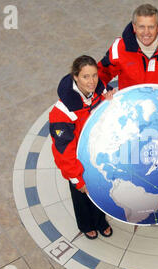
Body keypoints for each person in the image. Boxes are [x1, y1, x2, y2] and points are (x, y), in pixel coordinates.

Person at [49, 55, 113, 240]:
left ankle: (101, 222)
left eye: (94, 76)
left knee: (99, 190)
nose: (92, 81)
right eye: (86, 77)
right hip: (76, 162)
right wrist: (78, 179)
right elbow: (63, 153)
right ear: (75, 77)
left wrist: (110, 100)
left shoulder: (101, 92)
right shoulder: (61, 112)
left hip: (97, 156)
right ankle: (86, 225)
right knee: (82, 197)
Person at [97, 3, 158, 90]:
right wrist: (107, 91)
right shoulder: (119, 49)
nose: (146, 32)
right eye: (141, 27)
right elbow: (100, 73)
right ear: (134, 27)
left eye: (151, 27)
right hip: (133, 107)